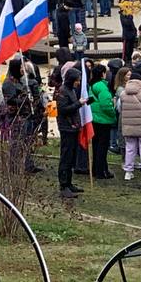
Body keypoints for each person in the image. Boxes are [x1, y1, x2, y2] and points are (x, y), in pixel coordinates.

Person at [56, 66, 86, 199]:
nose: (78, 83)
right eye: (77, 80)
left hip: (73, 127)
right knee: (66, 157)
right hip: (66, 128)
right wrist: (79, 104)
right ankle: (63, 185)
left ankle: (68, 183)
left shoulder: (71, 90)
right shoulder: (62, 91)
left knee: (71, 156)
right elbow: (63, 110)